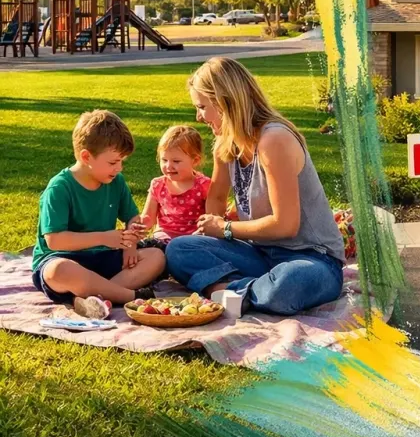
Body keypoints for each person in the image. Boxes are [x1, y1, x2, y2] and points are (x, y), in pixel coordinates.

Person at [165, 57, 346, 316]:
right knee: (179, 249)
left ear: (224, 101)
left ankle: (225, 291)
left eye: (202, 107)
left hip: (311, 258)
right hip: (259, 253)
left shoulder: (274, 140)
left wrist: (225, 228)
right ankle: (241, 292)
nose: (199, 116)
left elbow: (286, 225)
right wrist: (213, 227)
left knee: (288, 284)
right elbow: (216, 197)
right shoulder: (226, 145)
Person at [31, 110, 163, 318]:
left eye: (122, 162)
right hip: (64, 259)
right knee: (59, 271)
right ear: (86, 156)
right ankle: (131, 296)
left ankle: (94, 299)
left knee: (156, 257)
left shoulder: (116, 182)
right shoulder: (59, 187)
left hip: (104, 259)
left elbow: (132, 219)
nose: (119, 168)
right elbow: (54, 241)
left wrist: (130, 243)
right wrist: (104, 237)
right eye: (113, 162)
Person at [135, 125, 212, 246]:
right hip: (164, 236)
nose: (168, 166)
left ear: (195, 160)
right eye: (164, 160)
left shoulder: (203, 185)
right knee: (150, 247)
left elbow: (210, 219)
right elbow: (148, 218)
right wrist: (140, 225)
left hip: (193, 238)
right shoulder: (158, 184)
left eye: (176, 161)